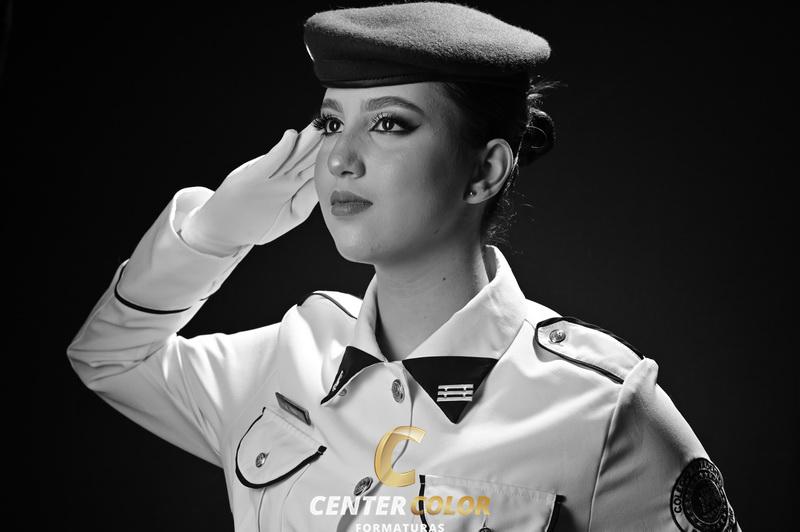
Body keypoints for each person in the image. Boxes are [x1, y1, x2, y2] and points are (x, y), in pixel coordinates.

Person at [66, 2, 742, 531]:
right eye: (332, 123)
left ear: (485, 170)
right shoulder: (290, 355)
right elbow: (108, 358)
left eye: (389, 124)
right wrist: (212, 234)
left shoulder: (602, 408)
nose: (340, 159)